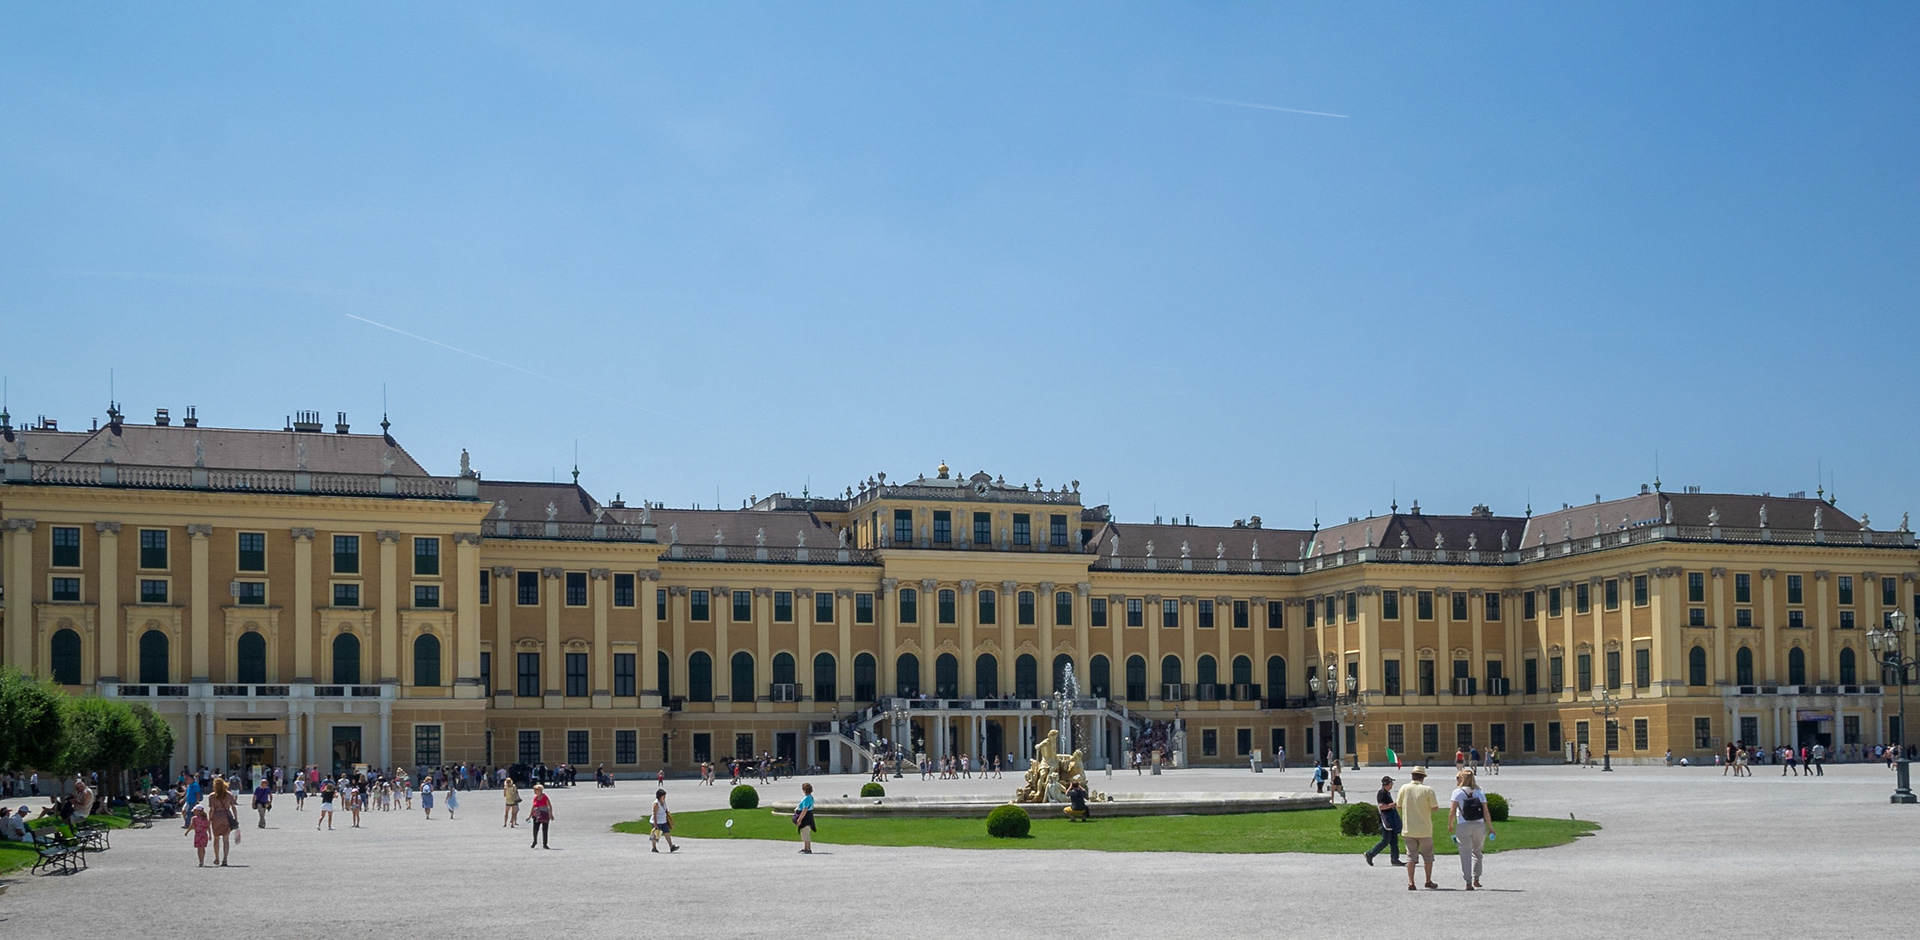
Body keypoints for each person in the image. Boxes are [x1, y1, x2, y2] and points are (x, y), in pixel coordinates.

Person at [1448, 769, 1496, 890]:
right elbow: (1485, 811)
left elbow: (1452, 810)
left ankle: (1468, 882)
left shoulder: (1457, 792)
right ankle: (1477, 878)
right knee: (1478, 852)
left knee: (1465, 853)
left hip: (1463, 824)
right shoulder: (1479, 791)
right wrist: (1490, 827)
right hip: (1479, 825)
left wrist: (1450, 824)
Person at [1396, 767, 1440, 891]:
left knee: (1410, 856)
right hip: (1424, 829)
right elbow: (1435, 807)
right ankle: (1428, 880)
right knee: (1428, 856)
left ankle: (1411, 882)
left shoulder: (1404, 788)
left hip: (1409, 828)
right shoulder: (1428, 790)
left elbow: (1398, 806)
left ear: (1412, 776)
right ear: (1423, 777)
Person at [1364, 774, 1403, 866]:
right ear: (1387, 784)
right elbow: (1381, 806)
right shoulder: (1382, 793)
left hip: (1391, 819)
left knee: (1394, 840)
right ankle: (1370, 854)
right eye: (1391, 783)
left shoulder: (1387, 793)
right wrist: (1393, 804)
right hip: (1386, 820)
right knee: (1385, 840)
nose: (1392, 785)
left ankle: (1395, 859)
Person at [204, 777, 238, 866]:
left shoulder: (212, 796)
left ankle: (217, 858)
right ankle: (225, 859)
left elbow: (211, 809)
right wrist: (236, 818)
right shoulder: (229, 794)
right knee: (226, 839)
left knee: (216, 838)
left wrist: (210, 818)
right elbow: (233, 807)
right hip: (227, 816)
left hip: (216, 816)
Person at [649, 788, 678, 853]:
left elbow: (665, 809)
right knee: (655, 834)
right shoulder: (656, 803)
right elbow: (654, 814)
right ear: (660, 796)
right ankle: (654, 847)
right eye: (663, 796)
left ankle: (671, 846)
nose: (665, 797)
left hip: (663, 821)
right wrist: (655, 823)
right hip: (657, 821)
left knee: (667, 833)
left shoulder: (663, 802)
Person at [794, 782, 817, 853]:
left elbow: (805, 809)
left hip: (806, 817)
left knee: (806, 832)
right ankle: (805, 847)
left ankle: (808, 848)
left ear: (804, 790)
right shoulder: (810, 797)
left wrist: (799, 819)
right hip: (808, 816)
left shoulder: (807, 798)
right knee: (804, 832)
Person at [528, 783, 553, 849]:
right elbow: (533, 806)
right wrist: (529, 815)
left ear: (539, 790)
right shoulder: (535, 797)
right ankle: (535, 841)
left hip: (544, 814)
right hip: (536, 815)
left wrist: (550, 814)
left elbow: (549, 806)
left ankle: (545, 844)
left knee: (545, 830)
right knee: (535, 829)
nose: (534, 791)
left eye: (535, 790)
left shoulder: (545, 797)